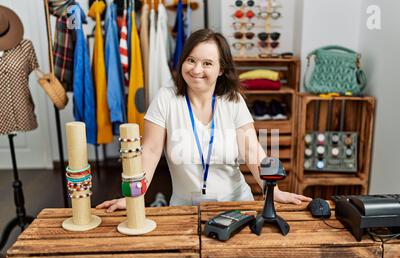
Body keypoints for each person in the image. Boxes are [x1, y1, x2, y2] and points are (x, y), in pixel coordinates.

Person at [98, 29, 311, 212]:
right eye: (191, 60)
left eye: (207, 63)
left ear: (221, 70)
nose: (196, 69)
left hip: (236, 206)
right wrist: (133, 196)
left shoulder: (233, 101)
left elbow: (252, 150)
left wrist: (272, 191)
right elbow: (151, 151)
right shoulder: (166, 98)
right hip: (185, 209)